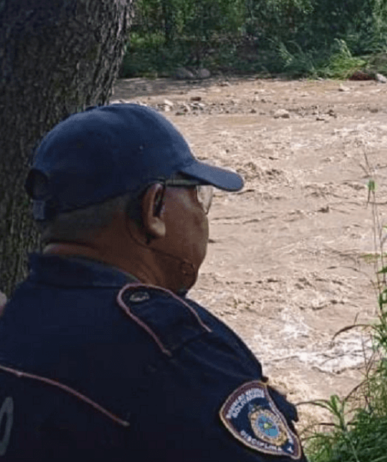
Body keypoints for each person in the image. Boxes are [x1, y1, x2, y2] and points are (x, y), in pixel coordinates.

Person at [0, 104, 306, 461]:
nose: (202, 215)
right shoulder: (177, 350)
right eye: (197, 195)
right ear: (154, 208)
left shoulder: (13, 318)